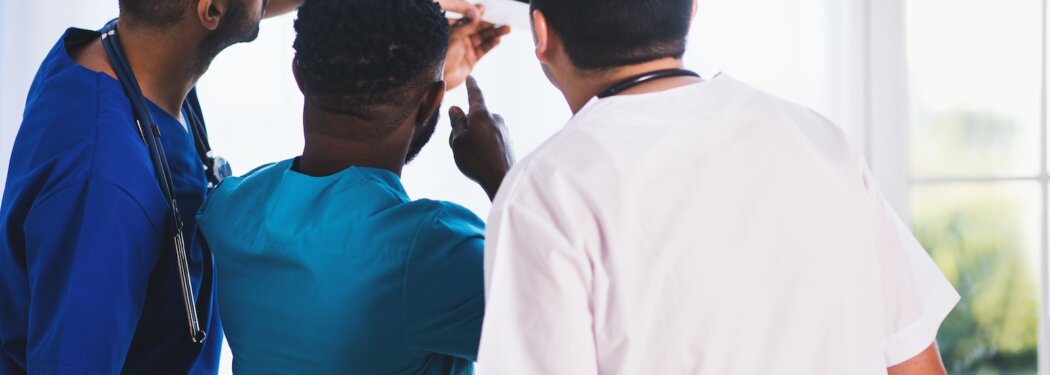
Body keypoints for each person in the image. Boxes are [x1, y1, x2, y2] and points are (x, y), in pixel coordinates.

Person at [0, 0, 505, 372]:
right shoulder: (103, 187)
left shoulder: (114, 61)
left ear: (298, 75)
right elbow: (556, 316)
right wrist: (503, 176)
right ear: (210, 10)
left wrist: (399, 64)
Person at [474, 0, 960, 374]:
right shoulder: (822, 142)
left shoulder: (544, 188)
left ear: (539, 32)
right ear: (691, 10)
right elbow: (915, 365)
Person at [195, 0, 512, 373]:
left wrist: (415, 88)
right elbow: (570, 323)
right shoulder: (431, 252)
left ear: (299, 74)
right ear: (432, 103)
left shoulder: (229, 209)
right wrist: (504, 176)